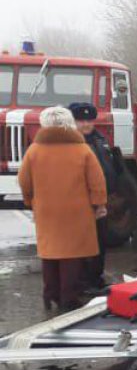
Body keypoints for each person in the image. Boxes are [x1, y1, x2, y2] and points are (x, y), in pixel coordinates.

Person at [17, 106, 107, 312]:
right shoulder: (82, 149)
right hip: (78, 211)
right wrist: (99, 204)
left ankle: (50, 294)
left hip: (46, 211)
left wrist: (30, 201)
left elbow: (24, 180)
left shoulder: (34, 150)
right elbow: (97, 181)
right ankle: (69, 298)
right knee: (72, 255)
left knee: (50, 252)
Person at [68, 102, 116, 291]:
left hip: (101, 200)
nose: (86, 124)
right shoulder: (72, 143)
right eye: (81, 120)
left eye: (89, 120)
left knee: (100, 242)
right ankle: (82, 281)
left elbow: (107, 167)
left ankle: (96, 277)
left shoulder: (98, 139)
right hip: (81, 201)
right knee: (82, 244)